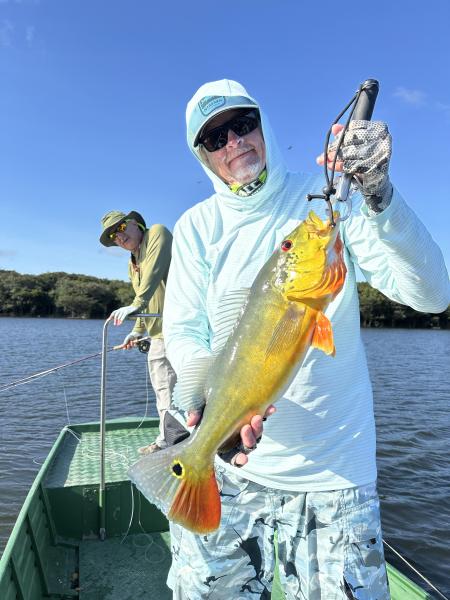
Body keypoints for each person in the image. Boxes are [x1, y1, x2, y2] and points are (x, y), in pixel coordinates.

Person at [162, 79, 450, 600]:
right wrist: (205, 410)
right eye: (215, 138)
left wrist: (378, 194)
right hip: (230, 467)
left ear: (263, 125)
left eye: (242, 123)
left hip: (334, 472)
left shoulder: (329, 200)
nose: (234, 142)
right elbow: (184, 330)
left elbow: (433, 295)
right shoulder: (196, 227)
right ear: (202, 156)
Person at [99, 210, 176, 454]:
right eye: (113, 236)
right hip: (159, 335)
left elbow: (151, 278)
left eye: (121, 228)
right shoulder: (132, 263)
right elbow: (144, 295)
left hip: (180, 330)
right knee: (164, 392)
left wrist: (136, 305)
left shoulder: (157, 234)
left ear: (135, 223)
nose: (119, 237)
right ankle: (171, 441)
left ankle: (169, 445)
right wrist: (137, 330)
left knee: (171, 393)